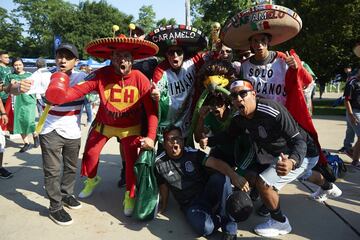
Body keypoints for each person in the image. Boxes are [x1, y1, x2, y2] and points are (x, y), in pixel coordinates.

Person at [201, 80, 342, 237]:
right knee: (302, 174)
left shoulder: (272, 110)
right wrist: (209, 141)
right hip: (276, 154)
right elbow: (229, 136)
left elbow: (299, 141)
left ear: (253, 94)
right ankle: (328, 186)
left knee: (264, 183)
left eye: (243, 93)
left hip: (304, 152)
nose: (238, 99)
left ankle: (280, 222)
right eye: (234, 96)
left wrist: (292, 161)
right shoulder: (239, 117)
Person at [45, 35, 159, 217]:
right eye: (117, 56)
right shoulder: (101, 74)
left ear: (132, 60)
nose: (122, 60)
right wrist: (57, 95)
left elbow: (152, 112)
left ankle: (130, 195)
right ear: (111, 58)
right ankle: (92, 179)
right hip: (104, 125)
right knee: (90, 154)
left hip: (131, 128)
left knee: (131, 164)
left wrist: (151, 137)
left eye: (126, 56)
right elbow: (77, 90)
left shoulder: (141, 79)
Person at [155, 125, 249, 240]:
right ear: (164, 144)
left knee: (222, 178)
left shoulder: (193, 153)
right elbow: (163, 185)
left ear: (183, 141)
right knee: (206, 228)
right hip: (190, 204)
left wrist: (235, 176)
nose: (175, 142)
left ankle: (230, 229)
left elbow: (216, 163)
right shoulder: (159, 163)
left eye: (178, 138)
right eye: (170, 139)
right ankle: (222, 214)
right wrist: (163, 204)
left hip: (206, 193)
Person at [39, 43, 87, 225]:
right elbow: (20, 88)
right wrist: (15, 87)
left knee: (71, 168)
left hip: (73, 132)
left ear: (76, 61)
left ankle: (66, 195)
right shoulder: (43, 76)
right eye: (60, 56)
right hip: (50, 130)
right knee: (52, 171)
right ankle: (55, 207)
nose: (63, 60)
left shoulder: (82, 77)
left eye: (68, 57)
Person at [146, 25, 208, 149]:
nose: (175, 56)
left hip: (187, 121)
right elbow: (155, 92)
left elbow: (211, 57)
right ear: (166, 55)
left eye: (178, 52)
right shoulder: (160, 70)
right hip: (167, 125)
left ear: (184, 54)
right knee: (164, 157)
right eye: (171, 52)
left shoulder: (193, 62)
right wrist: (155, 95)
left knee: (188, 156)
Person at [5, 57, 38, 152]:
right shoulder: (10, 76)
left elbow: (35, 88)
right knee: (19, 122)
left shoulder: (30, 75)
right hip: (16, 101)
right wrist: (11, 85)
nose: (18, 67)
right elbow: (6, 90)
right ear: (13, 66)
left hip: (29, 101)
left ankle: (35, 135)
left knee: (29, 121)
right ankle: (26, 143)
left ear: (23, 65)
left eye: (19, 64)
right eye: (15, 65)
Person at [343, 68, 360, 168]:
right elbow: (346, 100)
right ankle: (355, 161)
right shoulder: (352, 82)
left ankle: (351, 151)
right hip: (354, 111)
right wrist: (351, 114)